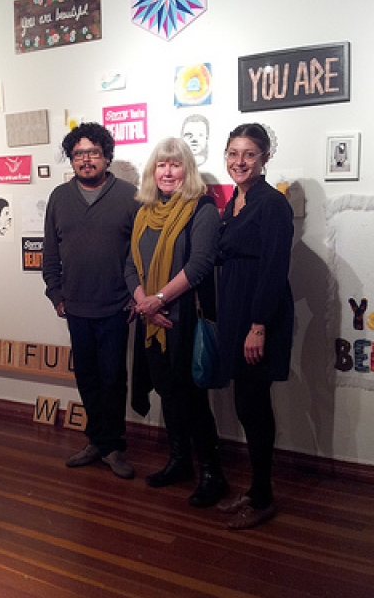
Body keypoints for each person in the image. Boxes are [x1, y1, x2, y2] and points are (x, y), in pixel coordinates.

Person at [125, 137, 228, 507]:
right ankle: (179, 461)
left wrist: (159, 299)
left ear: (187, 170)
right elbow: (129, 265)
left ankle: (213, 474)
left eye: (175, 165)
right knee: (169, 395)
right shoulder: (144, 212)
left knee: (192, 399)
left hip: (182, 320)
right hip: (151, 321)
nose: (167, 172)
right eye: (161, 165)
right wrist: (143, 303)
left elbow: (199, 264)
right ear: (154, 171)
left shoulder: (201, 209)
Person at [42, 122, 139, 479]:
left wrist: (135, 295)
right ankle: (96, 441)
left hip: (116, 306)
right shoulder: (58, 197)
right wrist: (55, 293)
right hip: (76, 307)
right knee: (87, 377)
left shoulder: (129, 195)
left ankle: (114, 447)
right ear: (71, 158)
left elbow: (139, 253)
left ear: (106, 156)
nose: (86, 160)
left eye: (93, 153)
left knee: (114, 378)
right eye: (79, 153)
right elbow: (50, 253)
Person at [216, 123, 294, 530]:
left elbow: (274, 268)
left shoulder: (272, 204)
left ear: (264, 157)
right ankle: (255, 489)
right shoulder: (234, 202)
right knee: (246, 404)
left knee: (254, 406)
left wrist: (259, 325)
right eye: (232, 153)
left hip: (258, 315)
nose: (239, 162)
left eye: (248, 154)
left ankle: (262, 496)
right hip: (235, 310)